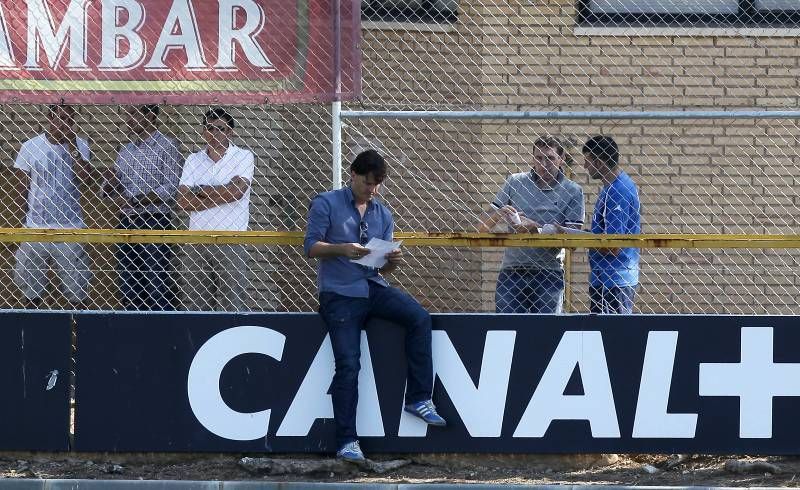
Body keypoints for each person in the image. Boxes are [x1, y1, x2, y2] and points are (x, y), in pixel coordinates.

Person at [304, 149, 446, 464]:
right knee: (349, 364)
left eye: (378, 184)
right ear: (352, 175)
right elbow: (311, 247)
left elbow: (382, 270)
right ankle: (346, 442)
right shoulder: (325, 203)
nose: (373, 190)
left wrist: (391, 261)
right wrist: (343, 249)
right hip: (339, 293)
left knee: (419, 318)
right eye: (368, 183)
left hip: (373, 286)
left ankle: (420, 399)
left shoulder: (383, 213)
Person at [479, 137, 584, 313]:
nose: (544, 164)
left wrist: (535, 228)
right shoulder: (515, 182)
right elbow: (481, 227)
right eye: (539, 158)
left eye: (550, 158)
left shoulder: (572, 190)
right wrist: (501, 212)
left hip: (548, 272)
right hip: (512, 270)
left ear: (561, 158)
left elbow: (573, 242)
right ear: (532, 159)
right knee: (507, 330)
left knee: (547, 334)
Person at [12, 104, 94, 309]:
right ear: (50, 118)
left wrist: (73, 146)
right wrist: (21, 225)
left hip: (70, 227)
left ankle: (77, 331)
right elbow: (21, 188)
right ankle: (32, 329)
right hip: (36, 226)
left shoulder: (80, 145)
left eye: (69, 119)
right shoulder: (30, 146)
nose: (65, 124)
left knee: (77, 289)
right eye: (60, 118)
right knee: (30, 287)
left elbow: (86, 180)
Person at [103, 105, 182, 310]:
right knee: (128, 282)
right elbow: (108, 189)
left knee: (156, 281)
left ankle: (159, 331)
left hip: (154, 220)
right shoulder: (125, 150)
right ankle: (133, 329)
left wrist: (135, 200)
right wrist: (109, 183)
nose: (128, 119)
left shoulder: (167, 146)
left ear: (151, 116)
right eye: (127, 114)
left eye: (133, 114)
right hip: (126, 222)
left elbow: (172, 187)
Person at [176, 108, 254, 312]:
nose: (215, 133)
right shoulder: (193, 159)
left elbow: (237, 193)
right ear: (203, 132)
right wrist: (223, 192)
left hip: (231, 238)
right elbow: (183, 202)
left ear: (230, 132)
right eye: (209, 128)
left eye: (220, 128)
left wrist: (200, 190)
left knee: (232, 302)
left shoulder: (243, 156)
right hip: (197, 240)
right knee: (197, 303)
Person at [579, 135, 640, 314]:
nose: (585, 166)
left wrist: (581, 238)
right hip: (613, 277)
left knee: (611, 336)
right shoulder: (616, 186)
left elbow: (613, 245)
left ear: (598, 162)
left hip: (612, 280)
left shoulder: (617, 192)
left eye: (587, 161)